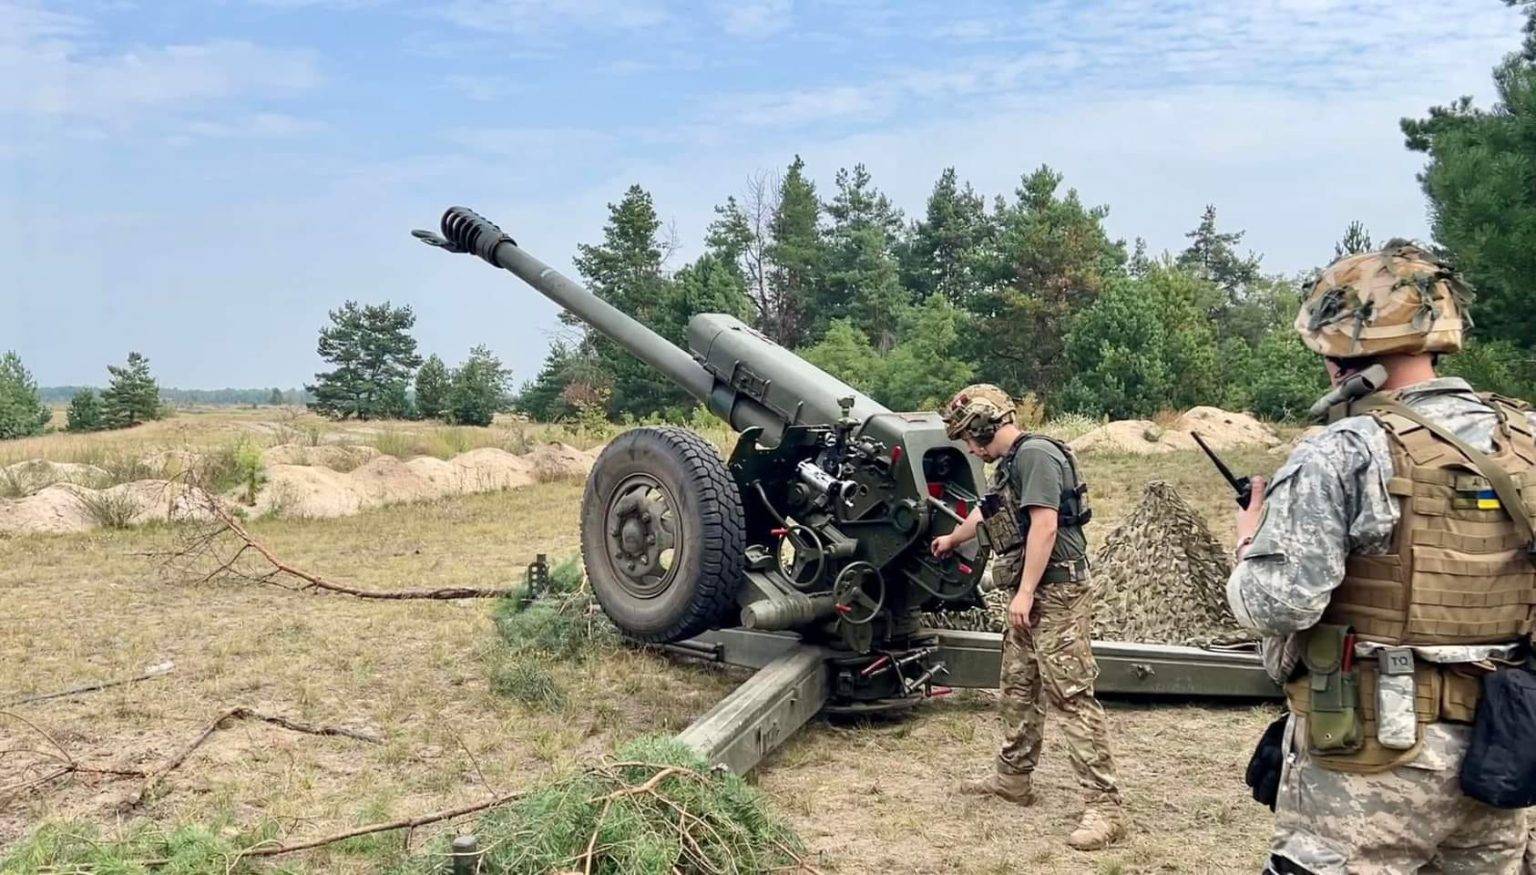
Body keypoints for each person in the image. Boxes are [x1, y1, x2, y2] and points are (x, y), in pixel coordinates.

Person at [1227, 241, 1536, 874]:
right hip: (1503, 748)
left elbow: (1279, 603)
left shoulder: (1345, 450)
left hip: (1375, 758)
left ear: (1339, 346)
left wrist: (1249, 541)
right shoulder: (1526, 442)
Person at [932, 384, 1125, 851]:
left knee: (1070, 695)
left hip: (1055, 591)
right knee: (1019, 685)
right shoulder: (1010, 465)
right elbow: (987, 511)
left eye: (968, 437)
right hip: (1036, 590)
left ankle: (1106, 807)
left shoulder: (1036, 456)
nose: (969, 448)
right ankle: (1013, 777)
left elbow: (1045, 524)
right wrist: (953, 540)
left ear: (983, 425)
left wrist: (1024, 592)